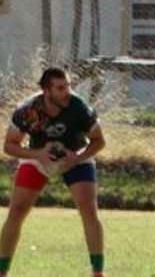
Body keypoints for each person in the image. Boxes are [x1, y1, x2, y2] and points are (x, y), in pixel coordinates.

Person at [0, 67, 106, 277]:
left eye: (67, 85)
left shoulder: (78, 107)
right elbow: (9, 146)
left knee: (88, 209)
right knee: (17, 210)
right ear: (46, 92)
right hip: (39, 158)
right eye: (60, 88)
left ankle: (98, 272)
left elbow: (99, 141)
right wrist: (38, 154)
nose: (67, 91)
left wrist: (76, 158)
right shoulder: (28, 111)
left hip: (75, 156)